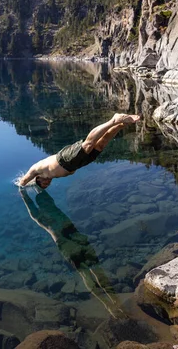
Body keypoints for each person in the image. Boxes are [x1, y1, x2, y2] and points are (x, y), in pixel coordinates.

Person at [19, 189, 125, 318]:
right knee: (98, 271)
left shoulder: (39, 217)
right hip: (79, 239)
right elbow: (42, 192)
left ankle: (108, 306)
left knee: (84, 274)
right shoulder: (54, 208)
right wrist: (37, 185)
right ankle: (116, 300)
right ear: (49, 202)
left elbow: (30, 204)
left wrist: (22, 191)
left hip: (66, 246)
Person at [18, 113, 141, 188]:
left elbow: (24, 180)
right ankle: (121, 125)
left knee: (88, 144)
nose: (47, 183)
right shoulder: (47, 175)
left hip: (64, 160)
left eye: (44, 183)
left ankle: (114, 120)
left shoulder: (36, 170)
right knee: (100, 145)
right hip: (76, 164)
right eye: (47, 185)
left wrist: (21, 188)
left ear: (38, 179)